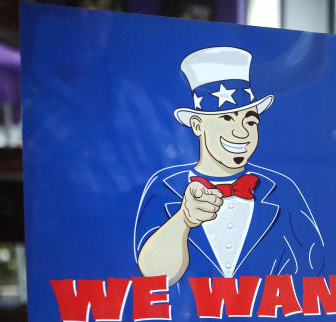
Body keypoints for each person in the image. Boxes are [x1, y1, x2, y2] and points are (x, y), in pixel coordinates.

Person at [135, 46, 324, 287]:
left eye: (250, 120)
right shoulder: (166, 187)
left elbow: (314, 269)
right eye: (226, 119)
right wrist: (184, 219)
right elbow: (154, 276)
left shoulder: (280, 189)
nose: (241, 132)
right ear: (197, 125)